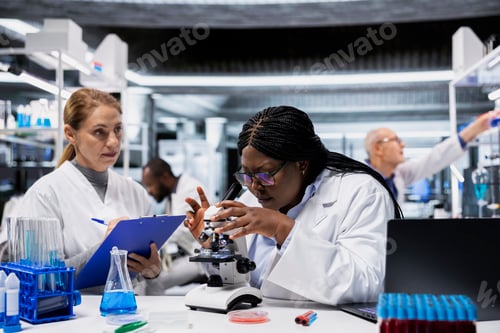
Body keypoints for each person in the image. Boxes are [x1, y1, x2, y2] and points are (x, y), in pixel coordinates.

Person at [183, 105, 403, 306]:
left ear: (301, 164)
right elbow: (238, 283)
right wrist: (214, 244)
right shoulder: (251, 200)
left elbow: (365, 284)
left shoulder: (361, 192)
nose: (255, 186)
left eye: (265, 174)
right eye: (247, 176)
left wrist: (283, 230)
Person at [9, 88, 161, 293]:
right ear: (71, 134)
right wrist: (105, 249)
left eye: (117, 129)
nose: (113, 142)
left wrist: (151, 270)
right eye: (99, 132)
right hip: (75, 320)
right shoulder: (45, 194)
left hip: (132, 318)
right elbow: (41, 282)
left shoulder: (135, 191)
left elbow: (148, 280)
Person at [364, 109, 500, 205]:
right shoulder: (360, 181)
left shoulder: (398, 175)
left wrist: (478, 127)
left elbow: (436, 158)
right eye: (396, 140)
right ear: (378, 148)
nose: (403, 144)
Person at [141, 157, 207, 295]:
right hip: (189, 253)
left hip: (202, 258)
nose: (149, 192)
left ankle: (154, 313)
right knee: (145, 276)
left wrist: (146, 238)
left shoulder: (189, 190)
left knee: (154, 281)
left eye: (150, 185)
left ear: (164, 177)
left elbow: (178, 229)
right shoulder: (172, 195)